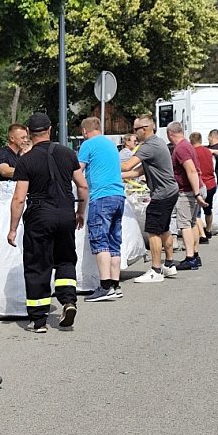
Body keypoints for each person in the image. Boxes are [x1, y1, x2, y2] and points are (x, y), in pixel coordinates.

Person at [8, 113, 89, 331]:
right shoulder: (67, 153)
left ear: (28, 132)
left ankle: (39, 320)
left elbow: (18, 198)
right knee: (65, 259)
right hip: (65, 213)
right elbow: (82, 186)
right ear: (50, 129)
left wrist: (13, 229)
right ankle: (69, 301)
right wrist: (80, 211)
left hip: (39, 216)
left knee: (37, 265)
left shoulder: (26, 160)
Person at [121, 115, 179, 283]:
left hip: (161, 194)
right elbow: (137, 172)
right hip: (170, 191)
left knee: (153, 230)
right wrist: (115, 175)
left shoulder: (149, 146)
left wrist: (104, 163)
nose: (134, 133)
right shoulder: (157, 143)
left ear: (144, 129)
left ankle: (156, 269)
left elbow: (127, 165)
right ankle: (169, 264)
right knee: (164, 228)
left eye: (135, 130)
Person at [77, 117, 126, 302]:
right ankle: (115, 284)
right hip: (118, 196)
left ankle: (104, 286)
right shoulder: (111, 145)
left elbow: (77, 169)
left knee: (100, 240)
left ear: (84, 131)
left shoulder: (88, 145)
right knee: (114, 241)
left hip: (101, 197)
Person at [167, 122, 208, 270]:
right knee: (191, 223)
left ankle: (190, 257)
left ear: (170, 134)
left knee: (184, 225)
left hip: (187, 191)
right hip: (196, 188)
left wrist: (196, 193)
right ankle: (195, 254)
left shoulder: (180, 149)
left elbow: (191, 170)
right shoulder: (187, 145)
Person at [0, 123, 30, 198]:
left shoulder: (18, 156)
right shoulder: (3, 153)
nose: (26, 140)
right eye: (22, 138)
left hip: (8, 198)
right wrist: (26, 171)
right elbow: (4, 171)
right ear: (12, 139)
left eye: (26, 137)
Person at [190, 132, 216, 242]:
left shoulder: (192, 152)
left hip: (201, 184)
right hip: (212, 183)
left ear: (191, 141)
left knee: (196, 212)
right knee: (208, 209)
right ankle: (208, 230)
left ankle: (202, 235)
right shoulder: (208, 151)